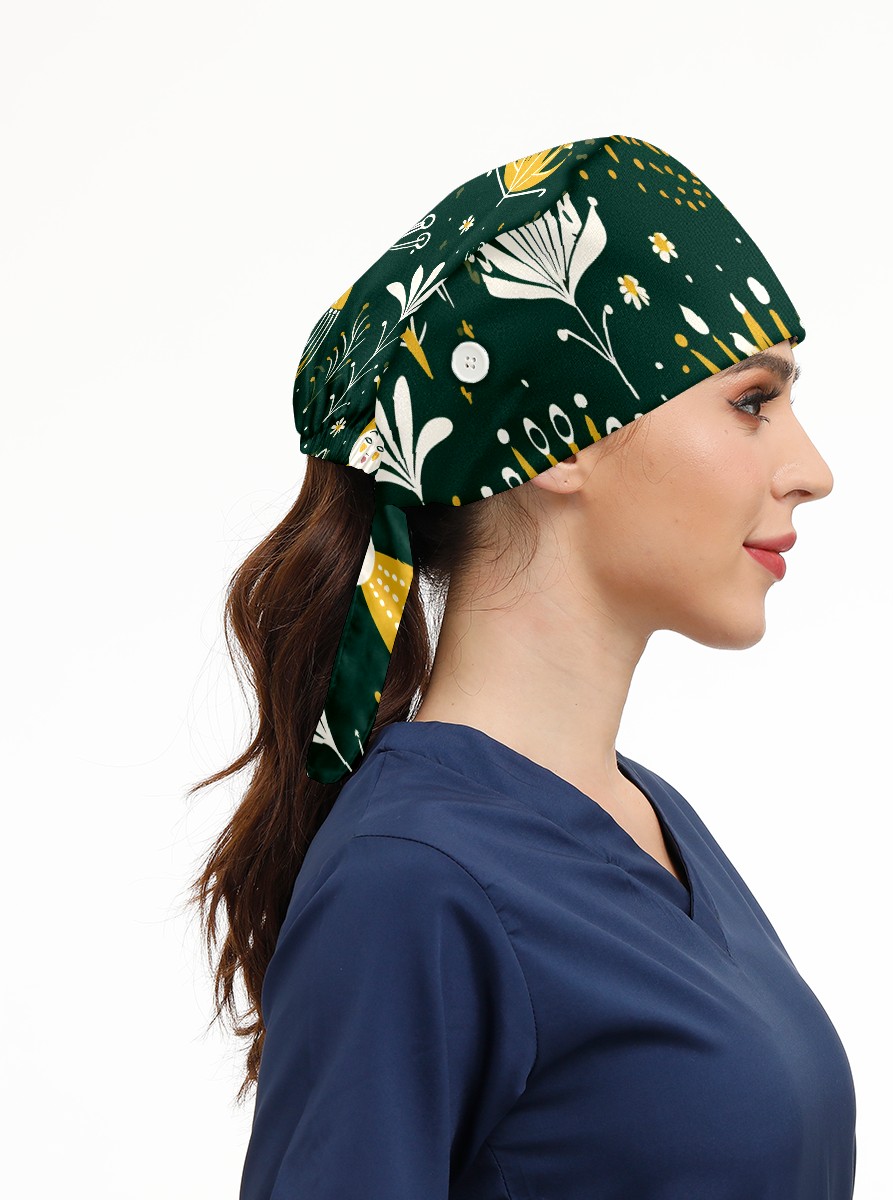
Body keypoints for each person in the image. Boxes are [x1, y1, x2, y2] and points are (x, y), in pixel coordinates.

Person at [189, 132, 857, 1198]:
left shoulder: (648, 819)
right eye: (751, 402)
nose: (810, 469)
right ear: (561, 437)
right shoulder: (411, 880)